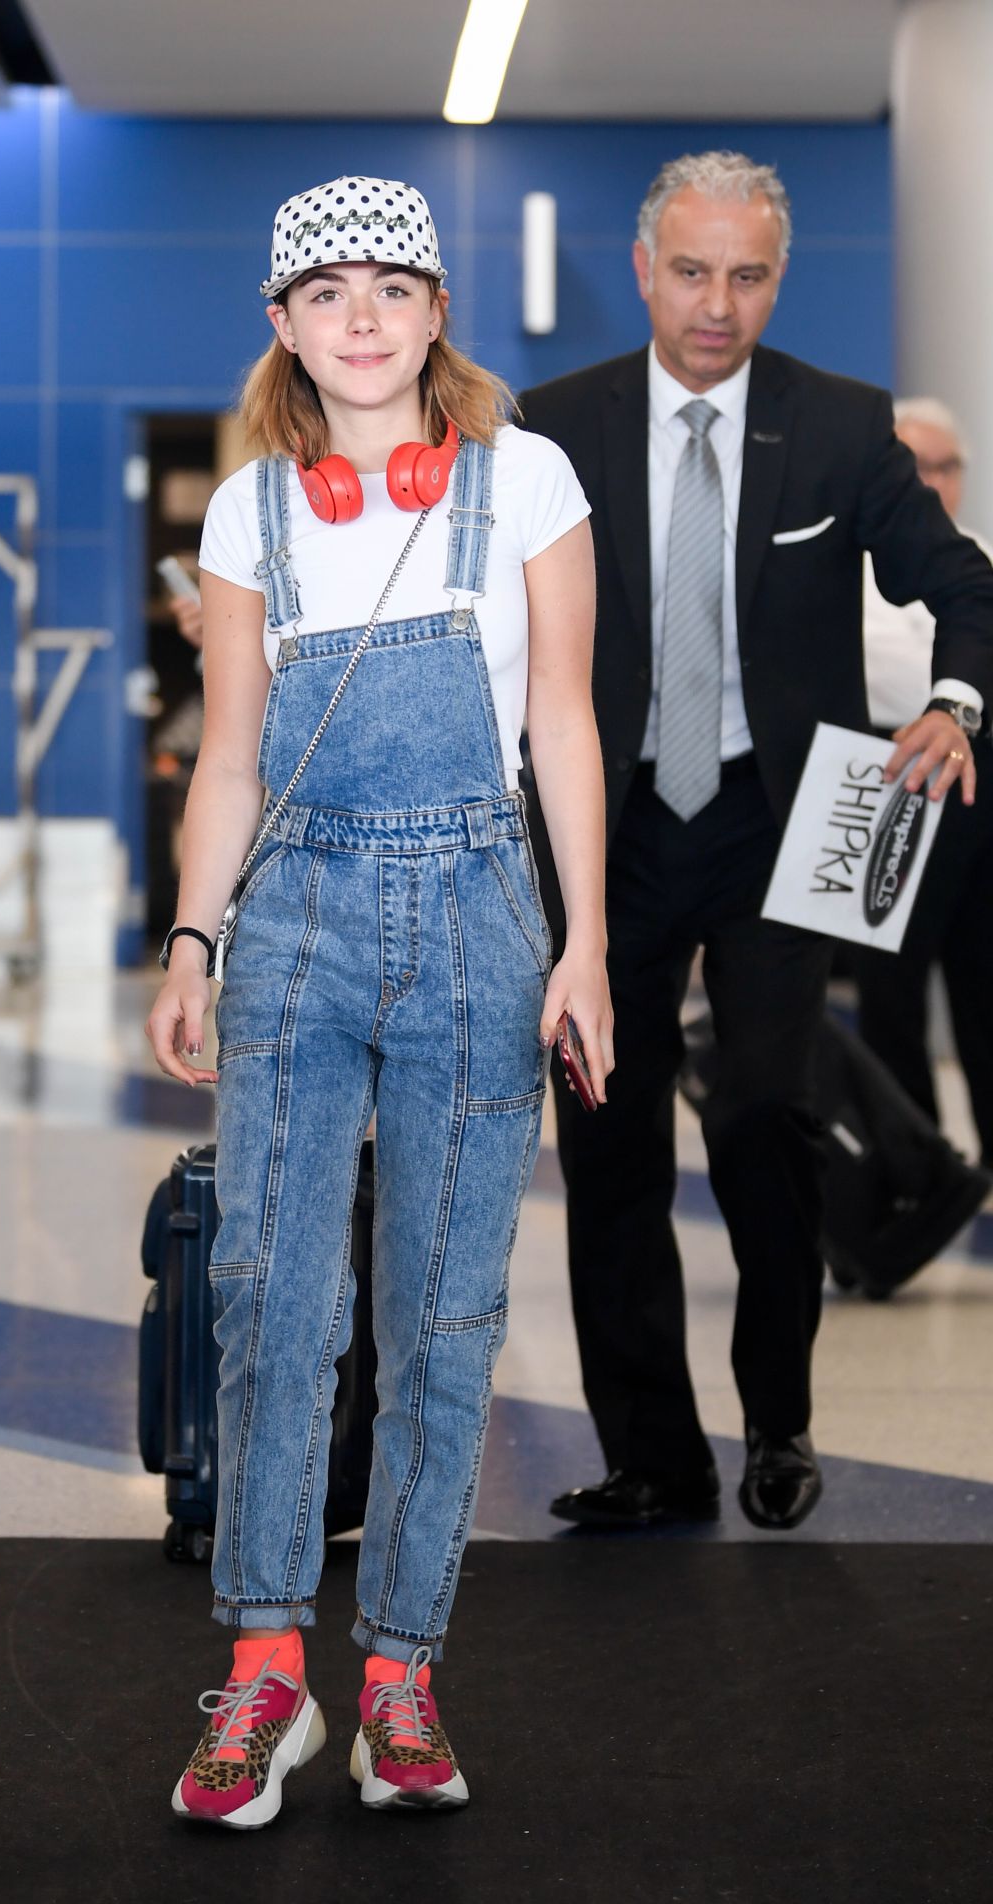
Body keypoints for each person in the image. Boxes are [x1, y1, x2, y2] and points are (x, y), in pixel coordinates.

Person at [146, 174, 609, 1827]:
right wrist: (196, 936)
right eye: (325, 289)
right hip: (298, 918)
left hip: (484, 908)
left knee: (443, 1313)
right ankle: (267, 1666)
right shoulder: (249, 511)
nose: (361, 314)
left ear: (433, 315)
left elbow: (562, 721)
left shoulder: (528, 479)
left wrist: (587, 943)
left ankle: (401, 1669)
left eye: (391, 287)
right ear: (282, 324)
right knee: (275, 1298)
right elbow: (232, 755)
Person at [519, 150, 993, 1535]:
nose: (717, 303)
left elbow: (961, 583)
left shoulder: (841, 426)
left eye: (747, 275)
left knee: (763, 1123)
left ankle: (778, 1421)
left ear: (778, 277)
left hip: (782, 831)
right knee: (606, 1144)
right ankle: (654, 1457)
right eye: (691, 270)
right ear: (643, 268)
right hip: (605, 836)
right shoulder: (554, 428)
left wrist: (958, 702)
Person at [854, 398, 993, 1167]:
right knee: (892, 987)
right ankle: (911, 1167)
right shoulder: (855, 562)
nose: (932, 482)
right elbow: (887, 675)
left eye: (945, 467)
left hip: (978, 780)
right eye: (916, 466)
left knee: (982, 981)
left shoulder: (978, 560)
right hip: (887, 775)